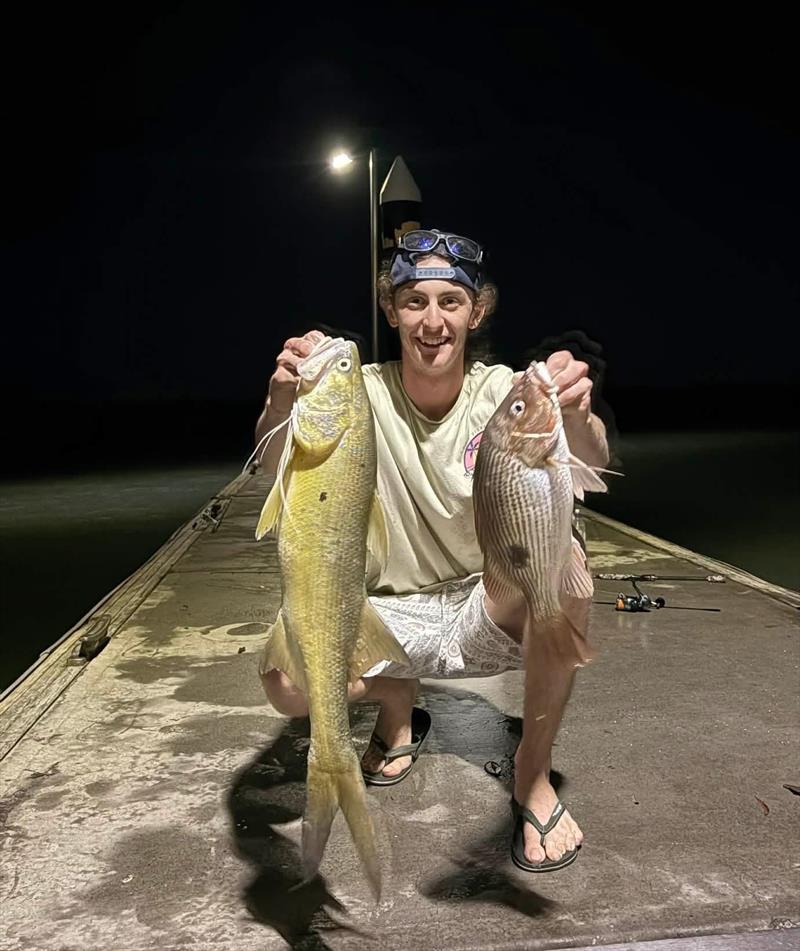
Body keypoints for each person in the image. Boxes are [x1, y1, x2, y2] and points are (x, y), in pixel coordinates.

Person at [254, 229, 609, 871]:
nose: (433, 321)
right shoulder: (354, 390)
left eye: (451, 301)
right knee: (284, 682)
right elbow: (276, 463)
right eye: (415, 301)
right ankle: (397, 704)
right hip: (389, 610)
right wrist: (283, 398)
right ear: (391, 311)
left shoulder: (503, 393)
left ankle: (531, 774)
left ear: (477, 311)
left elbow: (590, 458)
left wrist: (578, 416)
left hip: (484, 604)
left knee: (566, 575)